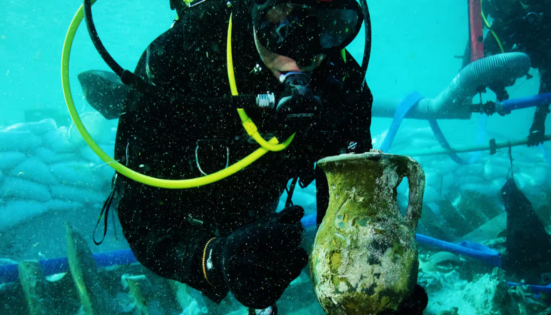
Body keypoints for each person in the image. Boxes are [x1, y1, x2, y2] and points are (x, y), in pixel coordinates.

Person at [82, 0, 427, 313]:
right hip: (189, 198)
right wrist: (213, 260)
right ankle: (117, 96)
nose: (303, 55)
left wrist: (378, 278)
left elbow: (351, 208)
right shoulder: (180, 56)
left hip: (257, 199)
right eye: (281, 24)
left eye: (330, 24)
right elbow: (142, 221)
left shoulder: (342, 85)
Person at [466, 0, 551, 146]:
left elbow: (549, 79)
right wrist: (499, 90)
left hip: (542, 43)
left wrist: (538, 122)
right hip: (518, 40)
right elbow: (482, 61)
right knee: (486, 59)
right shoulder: (508, 12)